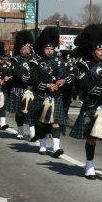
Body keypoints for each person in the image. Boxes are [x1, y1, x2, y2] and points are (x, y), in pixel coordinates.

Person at [69, 23, 102, 181]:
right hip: (92, 104)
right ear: (92, 50)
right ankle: (89, 166)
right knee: (92, 138)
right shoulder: (82, 65)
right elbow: (84, 85)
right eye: (99, 50)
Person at [31, 27, 71, 157]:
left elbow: (68, 75)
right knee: (42, 122)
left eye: (52, 48)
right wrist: (47, 85)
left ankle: (55, 147)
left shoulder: (58, 61)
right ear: (42, 48)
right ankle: (42, 145)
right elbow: (33, 81)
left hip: (56, 96)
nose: (50, 51)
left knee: (56, 121)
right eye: (47, 48)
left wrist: (63, 81)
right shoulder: (35, 62)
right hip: (42, 96)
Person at [7, 31, 37, 140]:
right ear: (20, 49)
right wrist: (22, 77)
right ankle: (20, 131)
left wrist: (32, 80)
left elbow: (37, 73)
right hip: (18, 90)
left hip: (30, 90)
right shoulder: (15, 60)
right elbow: (14, 72)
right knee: (20, 113)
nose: (26, 50)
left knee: (31, 112)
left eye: (28, 48)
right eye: (24, 48)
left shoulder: (34, 60)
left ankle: (33, 133)